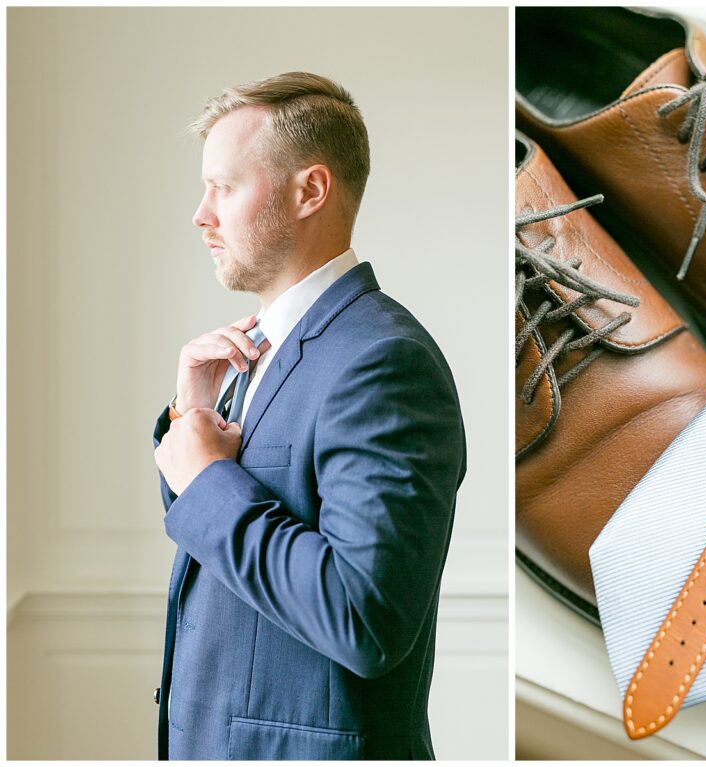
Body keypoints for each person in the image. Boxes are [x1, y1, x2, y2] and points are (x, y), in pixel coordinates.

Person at [152, 72, 466, 761]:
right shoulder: (259, 351)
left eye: (223, 188)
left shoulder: (384, 363)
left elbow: (364, 615)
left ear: (310, 191)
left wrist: (207, 481)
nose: (200, 214)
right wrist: (192, 422)